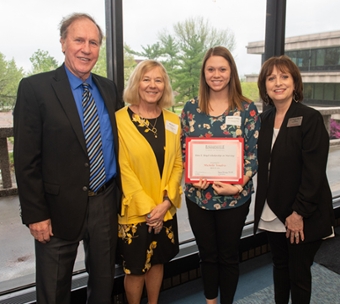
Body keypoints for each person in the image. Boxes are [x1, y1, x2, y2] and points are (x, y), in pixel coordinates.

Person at [13, 13, 122, 304]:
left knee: (103, 284)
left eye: (94, 42)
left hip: (105, 201)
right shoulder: (35, 89)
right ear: (63, 43)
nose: (86, 48)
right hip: (56, 210)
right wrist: (35, 214)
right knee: (53, 290)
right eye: (79, 40)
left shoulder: (109, 89)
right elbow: (26, 160)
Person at [180, 46, 260, 304]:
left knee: (228, 255)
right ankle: (210, 301)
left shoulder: (246, 109)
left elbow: (253, 153)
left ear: (231, 72)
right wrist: (193, 175)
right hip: (198, 197)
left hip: (235, 198)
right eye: (211, 69)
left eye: (222, 69)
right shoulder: (191, 108)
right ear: (204, 73)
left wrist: (238, 185)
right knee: (207, 255)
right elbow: (183, 150)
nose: (217, 74)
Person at [254, 55, 335, 304]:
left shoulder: (309, 118)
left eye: (284, 76)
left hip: (300, 213)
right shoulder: (264, 119)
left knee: (298, 273)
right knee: (280, 267)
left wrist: (298, 212)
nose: (278, 82)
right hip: (272, 209)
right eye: (271, 78)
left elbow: (314, 172)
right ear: (265, 85)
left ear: (294, 82)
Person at [116, 60, 183, 304]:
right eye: (146, 79)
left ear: (164, 86)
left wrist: (165, 203)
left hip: (164, 210)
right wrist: (149, 209)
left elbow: (177, 165)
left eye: (158, 80)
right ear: (136, 83)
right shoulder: (119, 121)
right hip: (135, 211)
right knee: (135, 269)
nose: (152, 85)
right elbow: (123, 169)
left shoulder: (174, 121)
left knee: (157, 262)